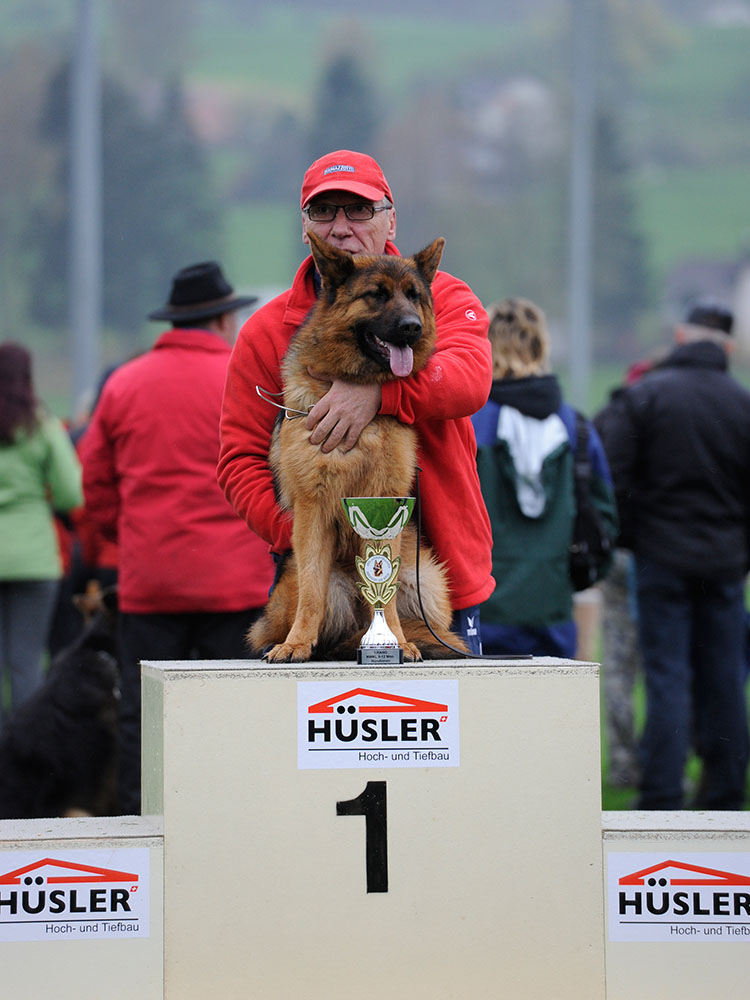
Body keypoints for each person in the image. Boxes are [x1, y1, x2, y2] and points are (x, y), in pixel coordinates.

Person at [217, 149, 495, 653]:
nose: (341, 226)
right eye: (325, 211)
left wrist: (380, 394)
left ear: (390, 216)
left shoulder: (445, 296)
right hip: (321, 585)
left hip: (436, 569)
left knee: (453, 731)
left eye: (359, 209)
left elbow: (471, 379)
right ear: (306, 227)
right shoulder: (264, 331)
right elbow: (238, 460)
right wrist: (306, 531)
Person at [79, 262, 275, 813]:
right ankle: (235, 818)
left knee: (143, 714)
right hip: (236, 582)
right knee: (235, 714)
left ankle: (140, 827)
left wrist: (120, 544)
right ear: (222, 319)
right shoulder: (250, 381)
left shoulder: (124, 383)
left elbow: (92, 481)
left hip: (152, 580)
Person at [598, 300, 750, 810]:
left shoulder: (645, 399)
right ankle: (726, 791)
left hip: (662, 559)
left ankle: (662, 790)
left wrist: (636, 537)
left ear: (680, 340)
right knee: (725, 677)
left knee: (667, 677)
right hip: (727, 563)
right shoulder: (741, 403)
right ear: (726, 347)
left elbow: (611, 478)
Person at [471, 297, 617, 659]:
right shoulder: (577, 428)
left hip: (477, 613)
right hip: (554, 614)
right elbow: (606, 522)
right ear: (542, 347)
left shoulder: (466, 424)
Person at [0, 342, 83, 731]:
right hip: (33, 556)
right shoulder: (41, 425)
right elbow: (70, 492)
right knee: (27, 660)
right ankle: (23, 748)